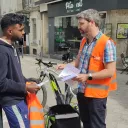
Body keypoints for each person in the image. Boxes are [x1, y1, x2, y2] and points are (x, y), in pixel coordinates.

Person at [57, 9, 117, 128]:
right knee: (86, 124)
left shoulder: (106, 43)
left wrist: (87, 76)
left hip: (96, 96)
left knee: (97, 125)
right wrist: (67, 66)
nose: (78, 27)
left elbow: (110, 71)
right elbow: (78, 62)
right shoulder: (84, 41)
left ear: (92, 22)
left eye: (81, 23)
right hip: (82, 92)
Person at [0, 13, 40, 128]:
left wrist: (27, 81)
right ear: (10, 31)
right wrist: (25, 87)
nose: (23, 33)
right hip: (11, 101)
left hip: (19, 99)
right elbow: (1, 82)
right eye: (21, 29)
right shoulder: (2, 51)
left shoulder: (11, 47)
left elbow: (14, 73)